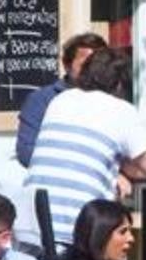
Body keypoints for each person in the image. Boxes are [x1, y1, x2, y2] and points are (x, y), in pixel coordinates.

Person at [24, 48, 146, 247]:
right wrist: (119, 168)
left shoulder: (60, 101)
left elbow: (76, 153)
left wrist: (114, 169)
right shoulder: (120, 110)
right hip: (77, 234)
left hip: (29, 228)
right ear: (119, 84)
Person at [15, 33, 107, 167]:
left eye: (98, 65)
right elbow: (27, 152)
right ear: (66, 65)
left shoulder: (112, 102)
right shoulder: (42, 100)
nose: (91, 71)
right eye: (84, 65)